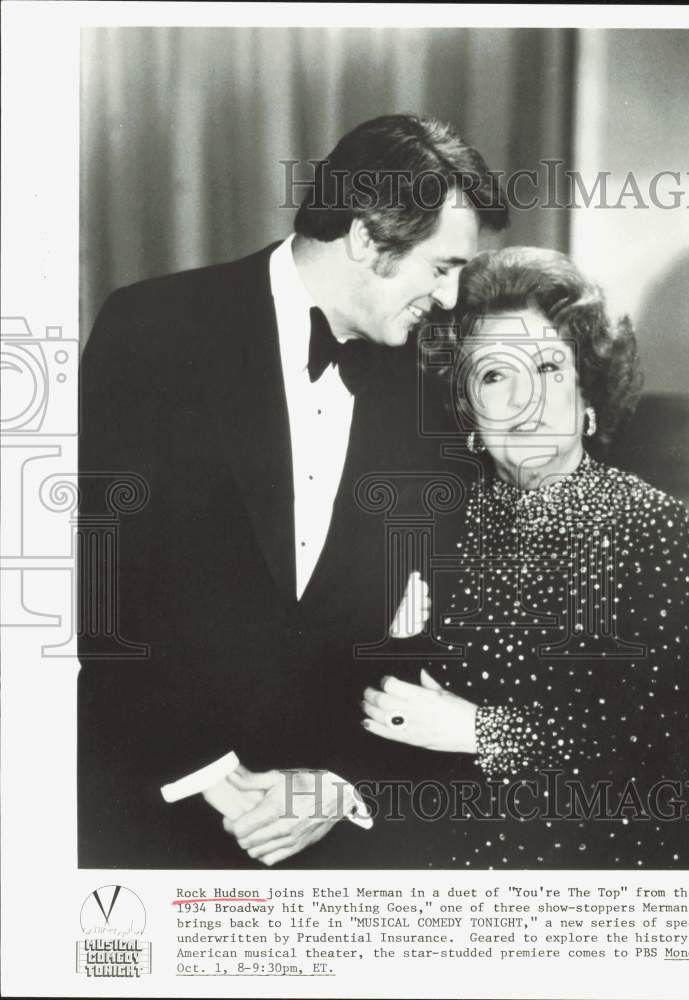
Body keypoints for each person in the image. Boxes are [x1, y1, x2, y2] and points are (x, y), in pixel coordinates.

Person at [78, 113, 508, 868]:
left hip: (332, 833)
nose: (449, 299)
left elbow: (420, 651)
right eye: (442, 267)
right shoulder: (152, 327)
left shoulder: (432, 395)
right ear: (368, 239)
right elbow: (101, 591)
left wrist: (335, 786)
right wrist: (218, 780)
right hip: (148, 810)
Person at [361, 246, 689, 869]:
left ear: (588, 396)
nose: (526, 399)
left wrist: (478, 731)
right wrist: (388, 642)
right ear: (467, 409)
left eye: (550, 367)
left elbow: (657, 733)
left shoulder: (644, 520)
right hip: (440, 864)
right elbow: (386, 711)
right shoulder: (439, 521)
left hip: (594, 867)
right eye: (495, 374)